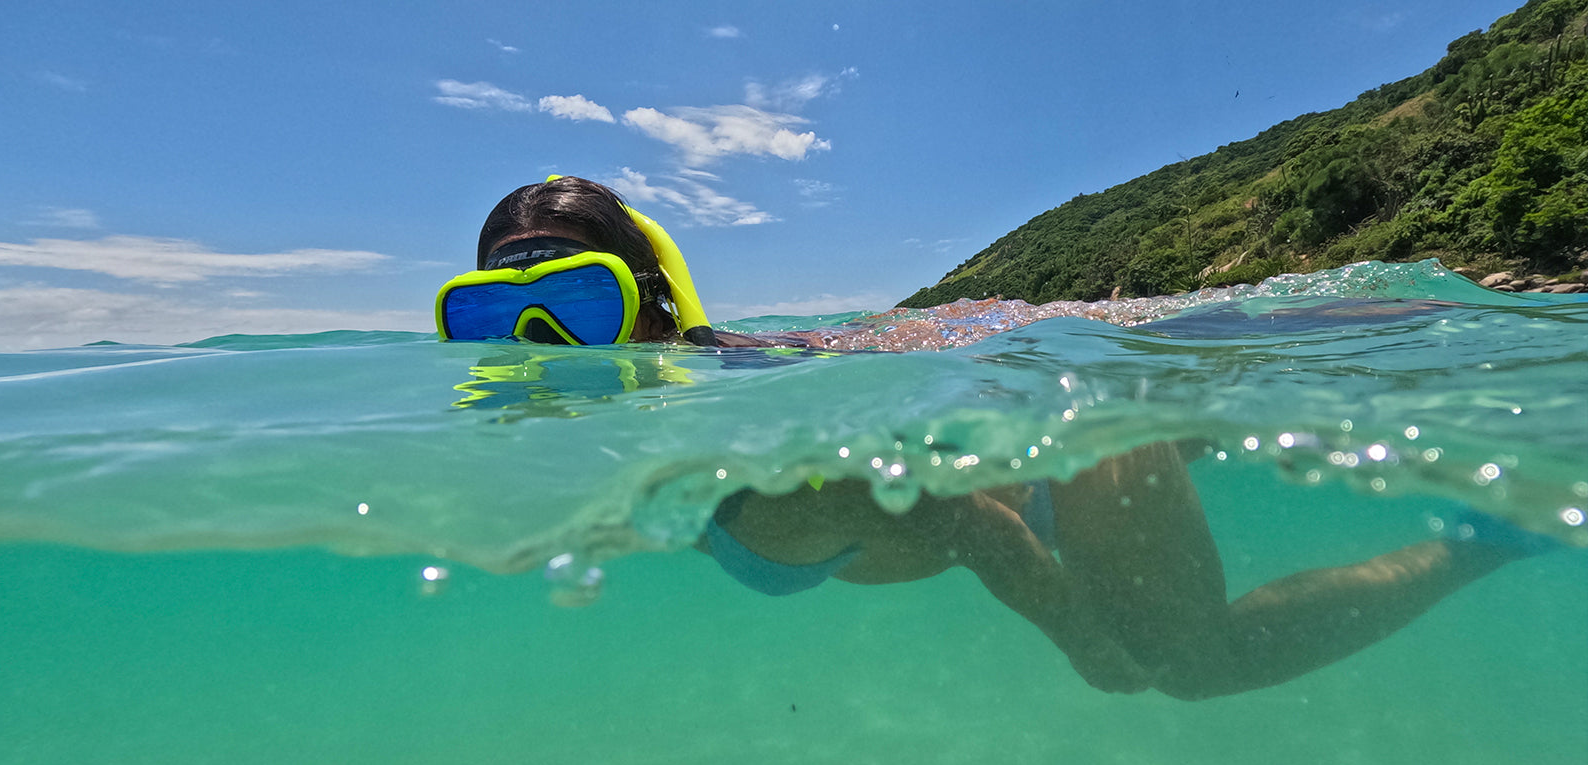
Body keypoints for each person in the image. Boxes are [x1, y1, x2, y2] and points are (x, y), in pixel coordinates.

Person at [439, 176, 1545, 699]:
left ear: (649, 301)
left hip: (1064, 422)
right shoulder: (592, 434)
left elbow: (966, 518)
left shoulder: (750, 441)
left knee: (1179, 666)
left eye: (571, 301)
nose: (539, 341)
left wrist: (1074, 633)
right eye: (495, 308)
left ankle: (1486, 541)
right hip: (1035, 467)